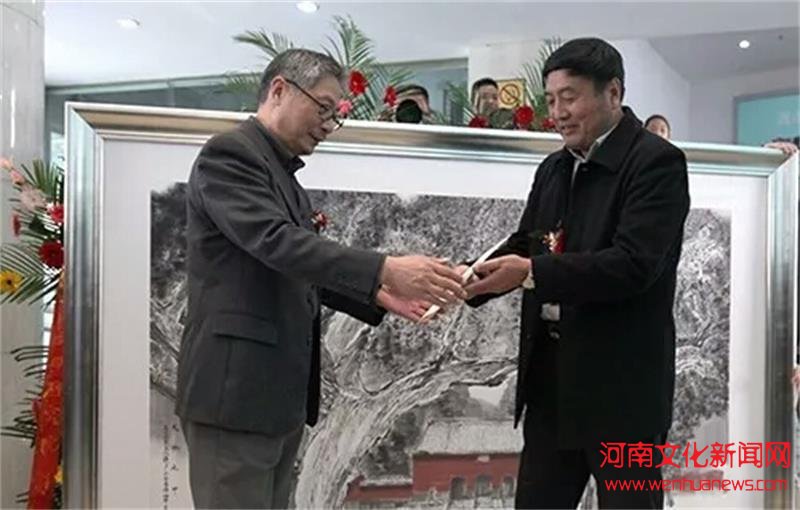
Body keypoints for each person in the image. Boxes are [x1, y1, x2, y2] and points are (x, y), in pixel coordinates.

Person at [175, 48, 466, 509]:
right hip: (235, 396)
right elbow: (276, 242)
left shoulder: (282, 173)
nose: (329, 125)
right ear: (279, 90)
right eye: (324, 108)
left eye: (336, 114)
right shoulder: (230, 155)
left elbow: (293, 264)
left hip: (272, 397)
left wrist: (380, 293)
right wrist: (387, 267)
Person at [462, 38, 690, 509]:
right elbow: (530, 243)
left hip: (623, 392)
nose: (558, 113)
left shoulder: (657, 163)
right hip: (552, 386)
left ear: (613, 93)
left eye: (570, 98)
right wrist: (465, 279)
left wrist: (531, 272)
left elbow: (633, 264)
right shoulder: (554, 167)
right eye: (550, 100)